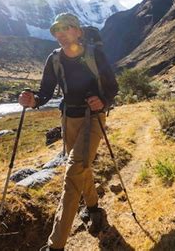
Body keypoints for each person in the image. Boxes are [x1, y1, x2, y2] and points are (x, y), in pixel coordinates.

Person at [18, 13, 119, 251]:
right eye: (56, 30)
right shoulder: (54, 60)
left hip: (93, 119)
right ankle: (94, 210)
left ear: (78, 31)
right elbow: (45, 92)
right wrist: (33, 100)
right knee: (81, 168)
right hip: (68, 119)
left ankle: (56, 245)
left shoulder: (95, 55)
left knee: (73, 171)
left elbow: (112, 87)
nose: (60, 34)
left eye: (65, 28)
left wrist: (102, 101)